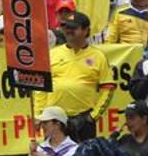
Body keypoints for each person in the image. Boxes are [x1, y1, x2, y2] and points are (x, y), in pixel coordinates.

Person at [34, 11, 115, 146]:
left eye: (73, 28)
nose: (68, 31)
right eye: (66, 27)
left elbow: (108, 88)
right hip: (54, 120)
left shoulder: (98, 56)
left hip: (83, 121)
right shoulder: (52, 54)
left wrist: (93, 116)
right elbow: (41, 88)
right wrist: (39, 114)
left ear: (86, 30)